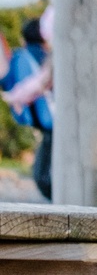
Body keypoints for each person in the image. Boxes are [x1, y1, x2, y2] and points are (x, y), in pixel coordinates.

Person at [4, 17, 53, 199]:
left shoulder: (22, 56)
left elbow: (28, 85)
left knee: (42, 174)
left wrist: (12, 98)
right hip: (56, 120)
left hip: (50, 122)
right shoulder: (49, 55)